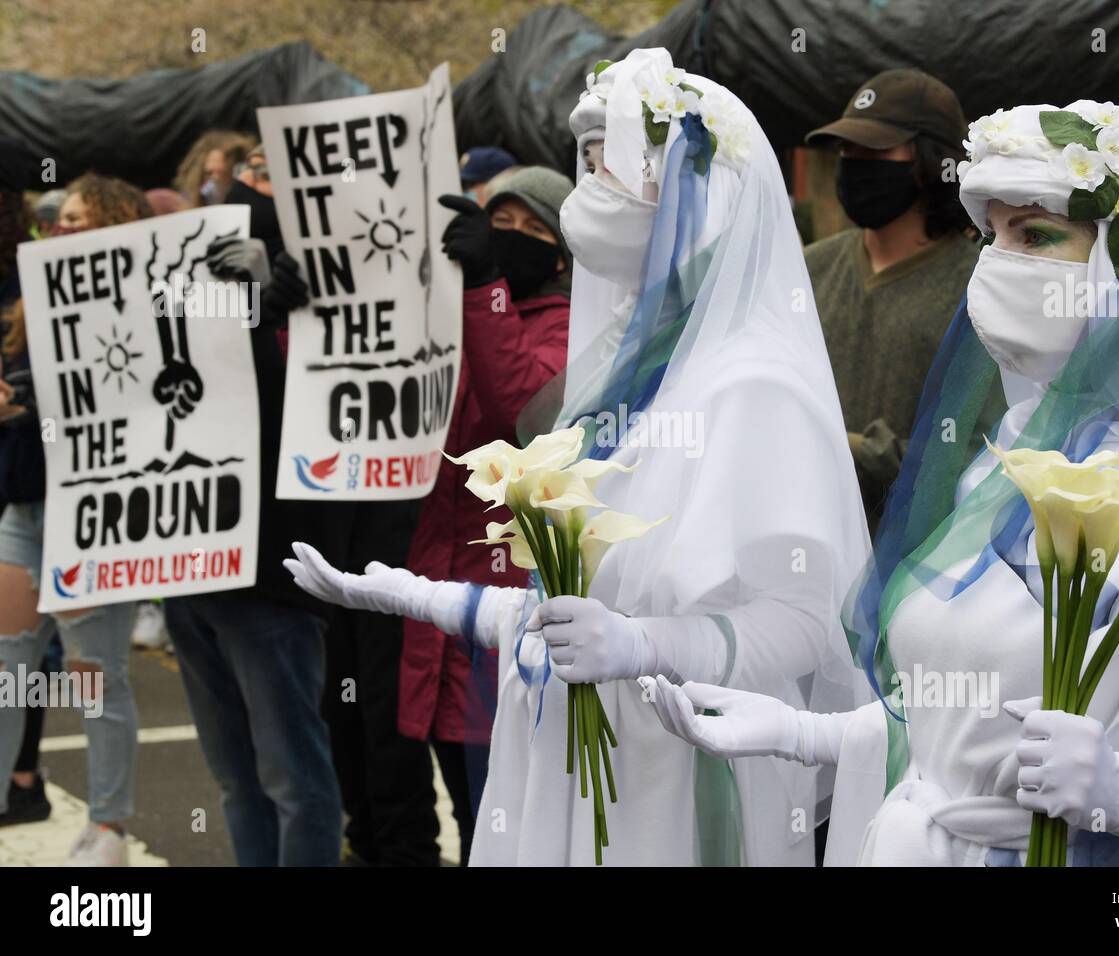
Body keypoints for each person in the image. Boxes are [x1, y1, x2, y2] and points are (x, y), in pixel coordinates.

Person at [645, 101, 1119, 868]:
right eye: (991, 235)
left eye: (1036, 234)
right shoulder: (1012, 461)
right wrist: (797, 733)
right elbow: (956, 732)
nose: (998, 261)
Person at [285, 48, 872, 866]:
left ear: (696, 190)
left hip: (679, 779)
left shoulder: (755, 385)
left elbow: (804, 627)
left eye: (612, 159)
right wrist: (411, 597)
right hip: (565, 756)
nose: (590, 182)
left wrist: (644, 647)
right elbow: (569, 610)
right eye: (584, 159)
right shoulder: (622, 375)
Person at [162, 162, 347, 867]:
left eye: (273, 173)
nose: (249, 186)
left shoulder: (323, 291)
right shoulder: (197, 284)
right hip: (190, 568)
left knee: (293, 780)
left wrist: (276, 318)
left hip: (270, 576)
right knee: (238, 781)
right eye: (249, 170)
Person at [396, 166, 573, 865]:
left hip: (504, 620)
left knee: (502, 821)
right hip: (435, 609)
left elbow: (521, 418)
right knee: (467, 817)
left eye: (534, 230)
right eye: (500, 222)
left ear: (562, 257)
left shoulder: (569, 328)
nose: (511, 239)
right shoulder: (448, 313)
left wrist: (484, 292)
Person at [0, 170, 150, 863]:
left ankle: (109, 826)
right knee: (8, 665)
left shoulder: (148, 307)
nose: (65, 228)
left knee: (94, 673)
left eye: (84, 220)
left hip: (95, 514)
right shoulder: (34, 298)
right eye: (62, 218)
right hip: (27, 505)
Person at [803, 69, 980, 533]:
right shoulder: (806, 268)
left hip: (916, 564)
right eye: (846, 149)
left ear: (930, 161)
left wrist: (847, 449)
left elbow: (975, 455)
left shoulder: (981, 287)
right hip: (805, 543)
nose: (854, 163)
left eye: (875, 150)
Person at [173, 130, 258, 208]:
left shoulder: (250, 188)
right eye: (210, 173)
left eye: (226, 172)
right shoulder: (196, 193)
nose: (216, 178)